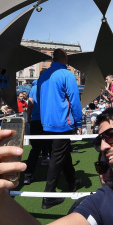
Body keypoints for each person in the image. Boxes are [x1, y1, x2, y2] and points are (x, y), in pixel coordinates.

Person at [37, 48, 82, 209]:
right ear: (65, 57)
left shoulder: (43, 75)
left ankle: (71, 182)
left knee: (61, 153)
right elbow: (75, 100)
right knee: (57, 157)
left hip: (47, 121)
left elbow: (38, 98)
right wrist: (79, 122)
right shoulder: (67, 74)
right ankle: (48, 196)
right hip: (62, 122)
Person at [23, 79, 50, 185]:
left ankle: (28, 176)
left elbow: (30, 104)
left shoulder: (33, 89)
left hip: (35, 121)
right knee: (52, 147)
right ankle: (56, 173)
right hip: (47, 121)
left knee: (35, 149)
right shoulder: (48, 87)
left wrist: (28, 118)